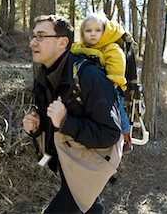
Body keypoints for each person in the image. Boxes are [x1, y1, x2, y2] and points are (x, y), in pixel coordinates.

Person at [23, 14, 123, 213]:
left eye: (41, 36)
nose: (33, 42)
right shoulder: (43, 78)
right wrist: (36, 128)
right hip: (68, 163)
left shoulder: (89, 76)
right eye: (33, 36)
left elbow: (110, 134)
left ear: (62, 42)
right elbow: (53, 122)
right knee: (89, 207)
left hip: (90, 165)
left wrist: (66, 121)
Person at [70, 14, 132, 153]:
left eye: (98, 30)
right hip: (92, 87)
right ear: (82, 33)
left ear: (104, 31)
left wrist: (113, 83)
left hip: (111, 86)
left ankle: (126, 135)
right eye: (88, 31)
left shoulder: (111, 48)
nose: (93, 34)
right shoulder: (80, 47)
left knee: (118, 110)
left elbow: (117, 65)